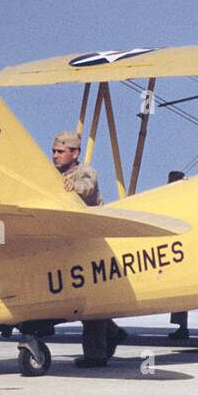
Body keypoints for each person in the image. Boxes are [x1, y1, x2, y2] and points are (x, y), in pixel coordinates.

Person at [50, 131, 126, 367]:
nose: (55, 156)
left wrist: (72, 186)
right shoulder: (53, 175)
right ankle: (112, 334)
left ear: (75, 153)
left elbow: (88, 187)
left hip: (95, 245)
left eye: (61, 152)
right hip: (73, 246)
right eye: (54, 151)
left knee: (92, 305)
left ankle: (95, 356)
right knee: (88, 305)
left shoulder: (85, 172)